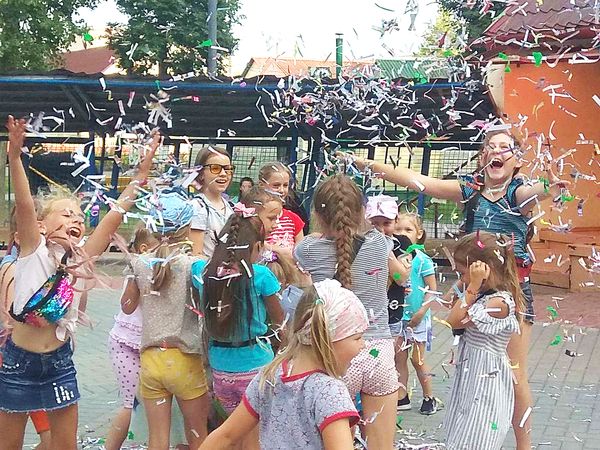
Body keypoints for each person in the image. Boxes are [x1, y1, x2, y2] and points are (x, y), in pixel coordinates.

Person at [344, 127, 568, 448]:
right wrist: (368, 165)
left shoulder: (517, 194)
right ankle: (471, 432)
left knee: (515, 372)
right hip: (474, 287)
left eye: (505, 148)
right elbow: (418, 181)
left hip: (511, 293)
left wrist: (551, 184)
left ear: (516, 160)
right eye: (491, 146)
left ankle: (524, 445)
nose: (497, 151)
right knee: (472, 363)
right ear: (482, 156)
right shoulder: (470, 191)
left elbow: (541, 190)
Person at [0, 116, 158, 450]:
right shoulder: (33, 252)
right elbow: (25, 206)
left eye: (79, 216)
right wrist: (14, 157)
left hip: (59, 363)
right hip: (18, 363)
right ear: (42, 226)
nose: (76, 218)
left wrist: (139, 178)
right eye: (66, 213)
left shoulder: (80, 259)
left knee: (65, 445)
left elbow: (113, 216)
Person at [293, 174, 403, 450]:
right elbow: (401, 276)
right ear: (362, 211)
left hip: (336, 353)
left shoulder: (306, 250)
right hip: (378, 350)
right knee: (381, 445)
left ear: (318, 214)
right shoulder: (381, 243)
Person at [198, 279, 369, 450]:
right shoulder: (330, 391)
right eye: (357, 337)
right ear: (326, 339)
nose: (364, 345)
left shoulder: (269, 376)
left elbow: (226, 435)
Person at [120, 189, 209, 450]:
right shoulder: (194, 265)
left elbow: (127, 306)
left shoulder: (139, 263)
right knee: (198, 435)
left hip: (151, 359)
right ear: (187, 228)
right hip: (185, 359)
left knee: (157, 439)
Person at [192, 205, 285, 449]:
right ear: (256, 246)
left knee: (232, 433)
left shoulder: (203, 273)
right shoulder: (261, 276)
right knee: (254, 439)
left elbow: (193, 266)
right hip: (255, 365)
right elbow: (280, 321)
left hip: (220, 368)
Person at [444, 231, 522, 450]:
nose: (460, 278)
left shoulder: (499, 303)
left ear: (484, 269)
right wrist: (466, 283)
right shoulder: (480, 294)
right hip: (471, 374)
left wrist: (472, 285)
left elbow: (454, 320)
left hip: (486, 379)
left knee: (478, 435)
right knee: (461, 432)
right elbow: (447, 301)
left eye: (462, 273)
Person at [0, 206, 52, 450]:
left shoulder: (37, 267)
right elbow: (14, 320)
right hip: (18, 362)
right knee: (51, 437)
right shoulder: (13, 268)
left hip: (30, 363)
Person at [104, 226, 158, 450]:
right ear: (144, 249)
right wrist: (139, 276)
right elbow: (127, 307)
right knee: (131, 403)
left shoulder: (168, 270)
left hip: (153, 345)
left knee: (155, 404)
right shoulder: (135, 273)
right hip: (126, 344)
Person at [364, 197, 413, 411]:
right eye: (375, 223)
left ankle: (396, 396)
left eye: (386, 223)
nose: (381, 229)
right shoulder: (361, 242)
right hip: (368, 313)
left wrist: (386, 252)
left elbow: (400, 278)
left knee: (392, 357)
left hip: (392, 312)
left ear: (395, 221)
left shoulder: (403, 244)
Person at [393, 212, 439, 414]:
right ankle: (401, 397)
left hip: (418, 318)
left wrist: (421, 312)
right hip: (399, 317)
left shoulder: (422, 260)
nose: (402, 233)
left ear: (419, 234)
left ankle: (429, 397)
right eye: (398, 229)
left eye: (408, 229)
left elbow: (432, 289)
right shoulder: (394, 258)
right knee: (399, 358)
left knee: (417, 359)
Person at [190, 146, 235, 258]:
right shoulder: (197, 207)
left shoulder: (230, 206)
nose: (223, 174)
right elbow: (196, 256)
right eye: (215, 168)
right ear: (201, 173)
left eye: (228, 169)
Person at [257, 162, 305, 254]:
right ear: (261, 185)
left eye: (285, 185)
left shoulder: (294, 219)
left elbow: (300, 253)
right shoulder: (254, 216)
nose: (282, 190)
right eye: (276, 185)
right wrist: (277, 250)